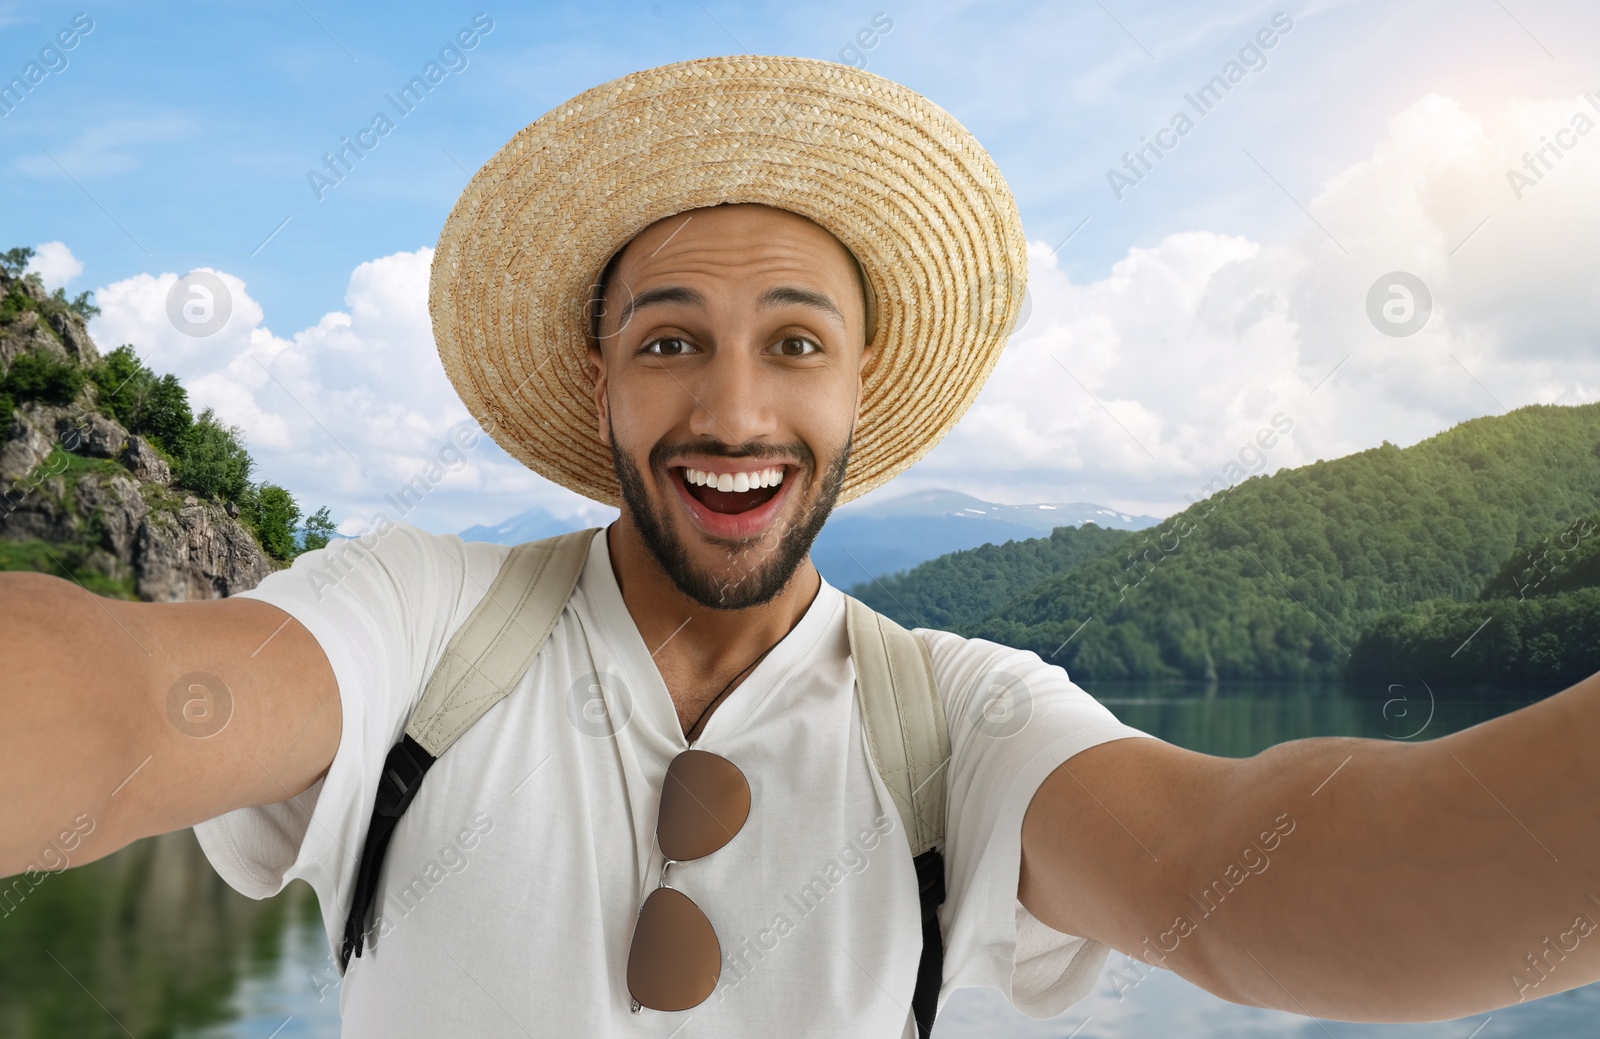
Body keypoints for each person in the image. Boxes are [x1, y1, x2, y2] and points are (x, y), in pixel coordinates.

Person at [2, 55, 1597, 1038]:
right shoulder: (422, 615)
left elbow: (1244, 878)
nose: (736, 413)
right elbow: (136, 705)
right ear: (600, 381)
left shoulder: (957, 720)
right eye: (674, 341)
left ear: (864, 385)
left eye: (796, 344)